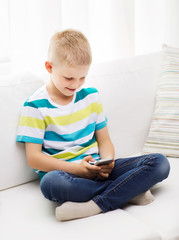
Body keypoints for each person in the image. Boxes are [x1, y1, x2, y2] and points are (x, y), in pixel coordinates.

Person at [16, 29, 170, 221]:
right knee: (50, 184)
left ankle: (97, 204)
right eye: (69, 78)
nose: (76, 85)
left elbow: (104, 140)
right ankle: (129, 191)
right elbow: (34, 159)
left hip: (97, 168)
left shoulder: (91, 96)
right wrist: (77, 170)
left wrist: (108, 160)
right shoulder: (35, 106)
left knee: (160, 163)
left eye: (82, 77)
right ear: (49, 67)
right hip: (65, 174)